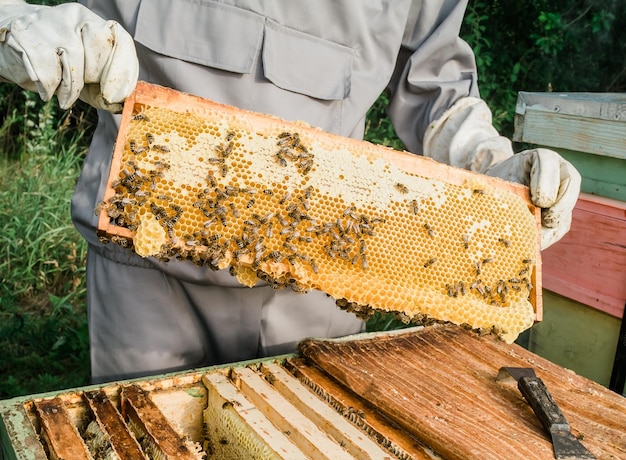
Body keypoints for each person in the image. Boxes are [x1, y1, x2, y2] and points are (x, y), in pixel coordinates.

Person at [0, 0, 580, 383]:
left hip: (320, 276)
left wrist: (489, 165)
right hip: (142, 264)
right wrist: (15, 19)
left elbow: (438, 89)